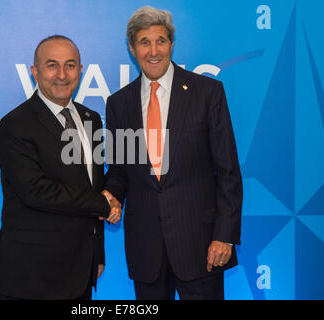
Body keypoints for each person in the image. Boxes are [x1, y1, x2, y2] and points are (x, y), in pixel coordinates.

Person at [104, 6, 243, 300]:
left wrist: (224, 235)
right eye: (144, 42)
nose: (153, 51)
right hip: (146, 251)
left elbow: (228, 171)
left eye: (161, 41)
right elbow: (119, 170)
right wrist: (112, 195)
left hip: (201, 247)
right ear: (132, 48)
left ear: (171, 44)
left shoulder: (207, 92)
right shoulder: (119, 104)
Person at [0, 35, 121, 300]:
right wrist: (104, 204)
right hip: (31, 276)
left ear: (81, 71)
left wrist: (98, 254)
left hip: (81, 270)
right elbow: (35, 191)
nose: (62, 74)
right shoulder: (14, 125)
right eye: (52, 65)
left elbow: (94, 184)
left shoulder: (90, 118)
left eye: (70, 65)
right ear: (34, 71)